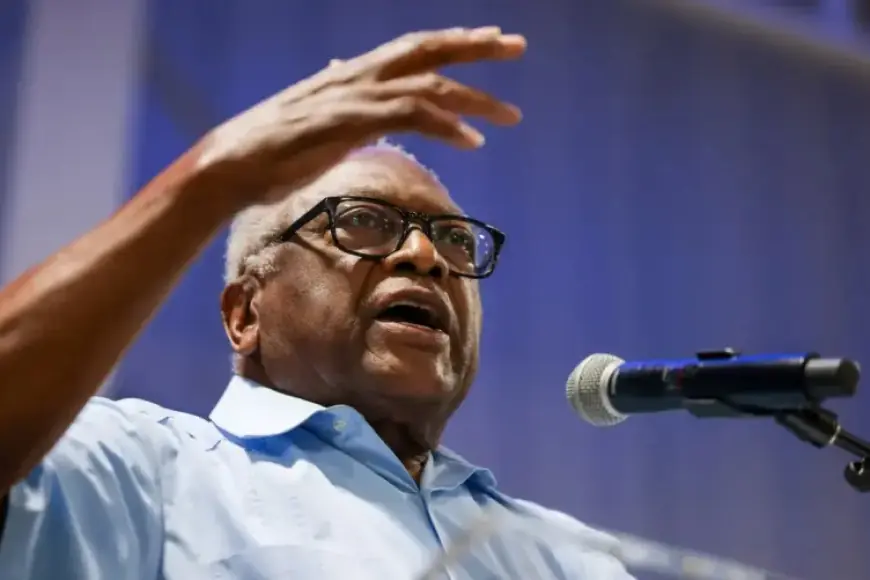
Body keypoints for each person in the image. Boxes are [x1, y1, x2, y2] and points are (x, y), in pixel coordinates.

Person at [0, 27, 633, 578]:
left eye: (454, 240)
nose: (426, 255)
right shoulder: (144, 470)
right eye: (362, 221)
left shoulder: (564, 556)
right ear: (245, 314)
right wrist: (214, 176)